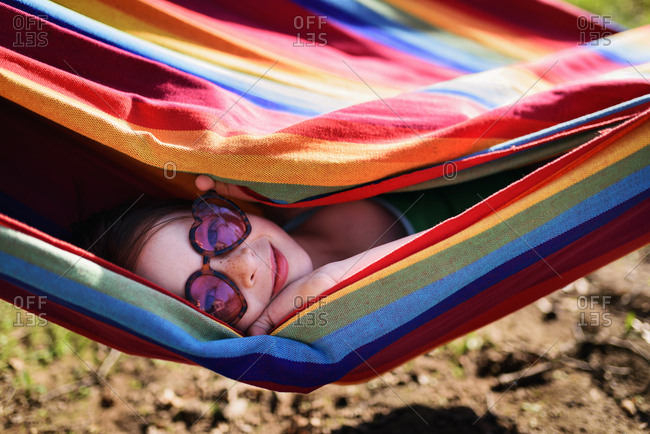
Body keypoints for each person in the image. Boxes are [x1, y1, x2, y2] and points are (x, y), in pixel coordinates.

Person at [72, 169, 530, 336]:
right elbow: (476, 254)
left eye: (217, 229)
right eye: (214, 298)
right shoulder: (333, 323)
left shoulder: (309, 177)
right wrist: (333, 281)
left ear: (228, 201)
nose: (247, 266)